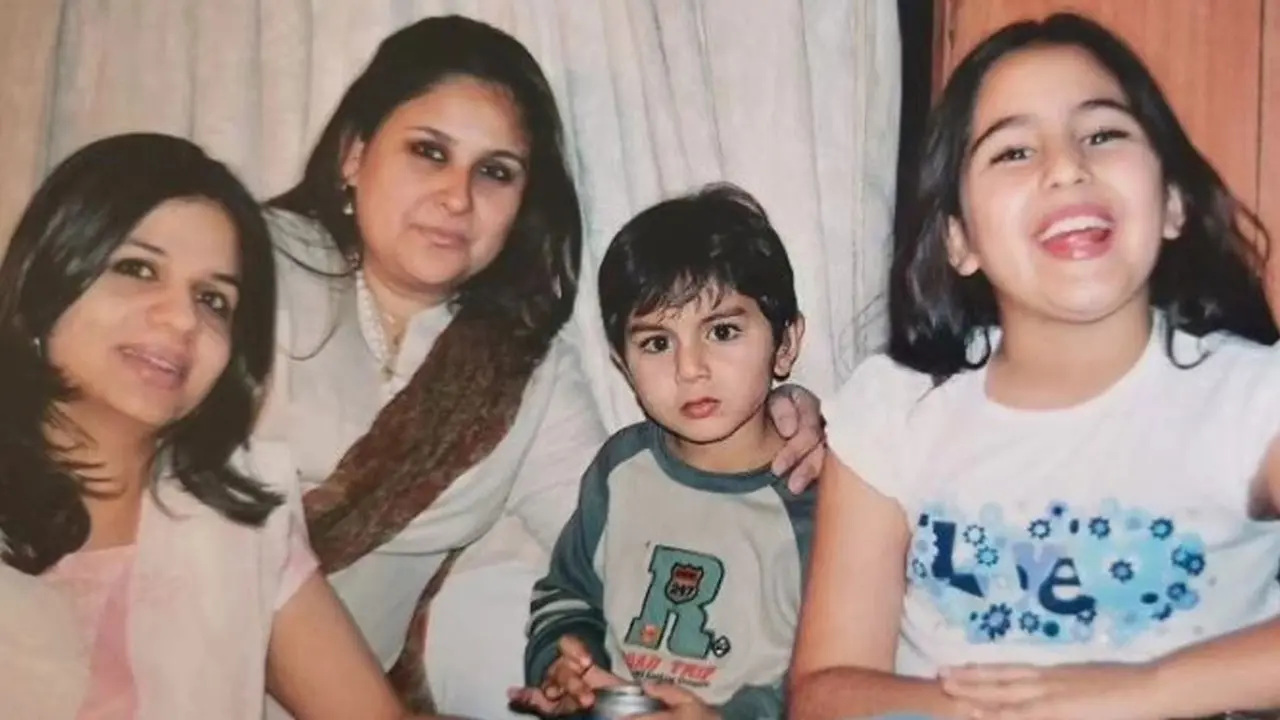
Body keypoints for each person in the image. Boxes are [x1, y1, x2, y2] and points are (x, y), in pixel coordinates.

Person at [256, 15, 827, 718]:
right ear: (354, 154)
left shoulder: (518, 369)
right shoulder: (246, 272)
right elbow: (217, 528)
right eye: (429, 152)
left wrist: (771, 416)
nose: (458, 197)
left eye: (495, 171)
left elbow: (630, 535)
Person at [788, 13, 1280, 720]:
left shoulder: (1253, 404)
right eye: (1014, 151)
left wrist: (1140, 691)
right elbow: (826, 692)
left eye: (1104, 133)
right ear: (959, 240)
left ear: (1171, 203)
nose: (1067, 165)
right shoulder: (894, 413)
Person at [0, 133, 437, 719]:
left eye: (213, 299)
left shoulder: (242, 516)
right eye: (137, 268)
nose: (182, 318)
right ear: (44, 284)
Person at [512, 184, 814, 720]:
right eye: (656, 343)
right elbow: (567, 594)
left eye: (722, 331)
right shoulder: (620, 470)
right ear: (624, 365)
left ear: (785, 344)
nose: (689, 368)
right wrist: (565, 665)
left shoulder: (814, 497)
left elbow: (831, 671)